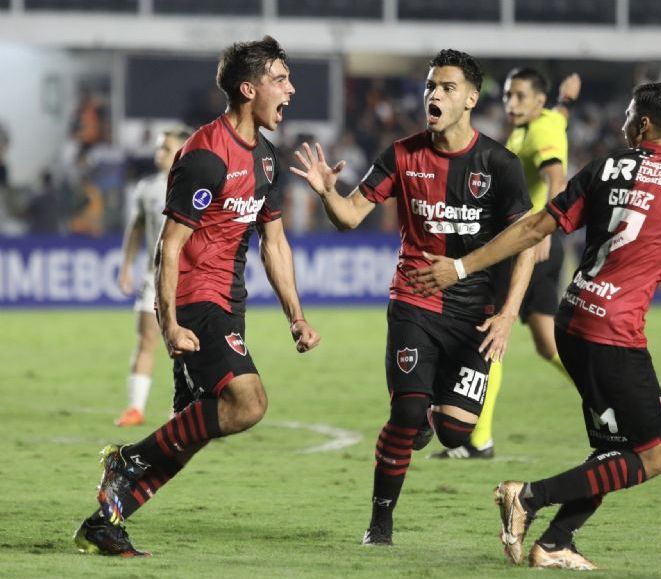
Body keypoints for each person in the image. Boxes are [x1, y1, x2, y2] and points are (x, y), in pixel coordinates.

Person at [408, 82, 661, 570]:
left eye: (629, 114)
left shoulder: (604, 167)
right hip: (614, 334)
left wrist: (462, 267)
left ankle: (555, 543)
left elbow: (533, 228)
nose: (622, 123)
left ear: (644, 126)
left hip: (573, 319)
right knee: (652, 456)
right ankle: (527, 497)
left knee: (612, 450)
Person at [74, 35, 321, 557]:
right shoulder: (207, 156)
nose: (291, 89)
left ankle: (105, 523)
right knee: (248, 403)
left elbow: (273, 241)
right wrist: (168, 322)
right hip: (195, 301)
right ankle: (127, 460)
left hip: (230, 301)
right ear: (248, 88)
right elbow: (171, 245)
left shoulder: (268, 160)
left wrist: (295, 316)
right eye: (281, 79)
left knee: (191, 431)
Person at [290, 49, 536, 546]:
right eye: (429, 86)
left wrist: (510, 314)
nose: (434, 95)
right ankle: (380, 523)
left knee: (455, 434)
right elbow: (351, 215)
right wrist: (326, 193)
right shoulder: (401, 154)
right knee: (405, 414)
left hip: (475, 316)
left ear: (470, 98)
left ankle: (429, 416)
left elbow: (526, 241)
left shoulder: (500, 164)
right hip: (414, 304)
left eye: (446, 87)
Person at [432, 68, 581, 459]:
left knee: (489, 333)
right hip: (537, 252)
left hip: (527, 252)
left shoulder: (540, 132)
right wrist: (566, 101)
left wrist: (545, 229)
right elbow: (559, 122)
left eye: (520, 97)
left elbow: (557, 179)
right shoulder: (543, 122)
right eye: (508, 96)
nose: (511, 104)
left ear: (537, 101)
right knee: (547, 346)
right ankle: (609, 396)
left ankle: (478, 439)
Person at [115, 126, 192, 427]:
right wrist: (126, 266)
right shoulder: (146, 187)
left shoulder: (195, 184)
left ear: (182, 152)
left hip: (189, 278)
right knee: (146, 337)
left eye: (166, 148)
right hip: (154, 277)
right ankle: (135, 407)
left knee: (186, 346)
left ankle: (182, 408)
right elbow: (135, 228)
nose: (159, 153)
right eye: (159, 148)